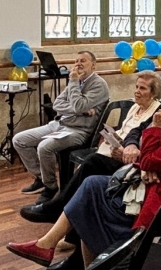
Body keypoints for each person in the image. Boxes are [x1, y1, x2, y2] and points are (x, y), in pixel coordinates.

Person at [6, 78, 161, 268]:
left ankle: (73, 265)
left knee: (90, 200)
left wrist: (154, 134)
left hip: (153, 200)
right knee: (91, 184)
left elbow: (149, 158)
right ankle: (52, 247)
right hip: (147, 183)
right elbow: (148, 152)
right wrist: (147, 162)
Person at [20, 71, 161, 226]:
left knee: (91, 163)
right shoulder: (135, 107)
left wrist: (123, 147)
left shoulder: (157, 113)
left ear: (154, 93)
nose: (137, 91)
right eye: (136, 87)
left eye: (142, 88)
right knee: (85, 169)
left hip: (130, 161)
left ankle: (56, 208)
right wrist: (113, 137)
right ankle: (66, 215)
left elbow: (145, 140)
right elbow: (126, 131)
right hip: (116, 150)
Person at [13, 51, 110, 200]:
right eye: (76, 61)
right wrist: (83, 111)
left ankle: (50, 187)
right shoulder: (77, 81)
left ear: (93, 65)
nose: (78, 64)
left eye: (83, 61)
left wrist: (73, 85)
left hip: (78, 131)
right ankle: (41, 177)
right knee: (19, 140)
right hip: (58, 124)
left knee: (44, 147)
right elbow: (57, 105)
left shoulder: (98, 84)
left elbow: (78, 105)